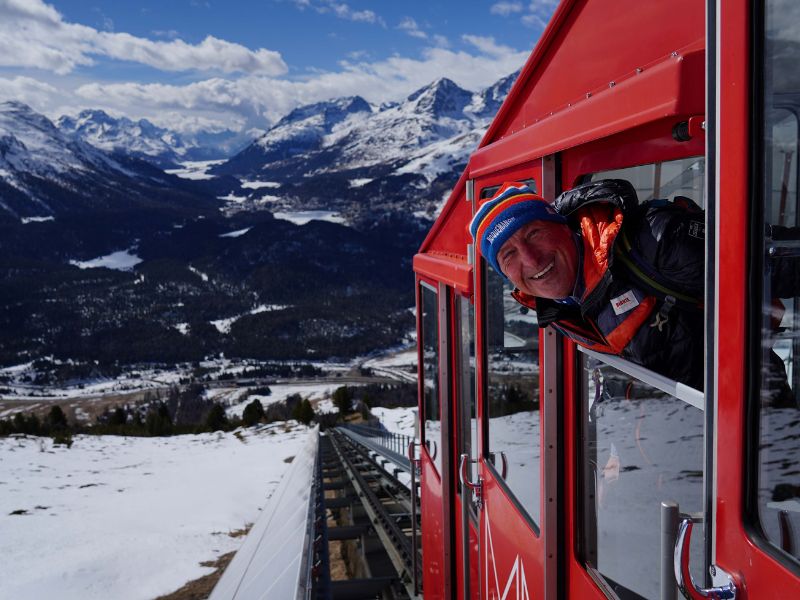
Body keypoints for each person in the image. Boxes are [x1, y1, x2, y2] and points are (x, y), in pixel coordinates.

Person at [469, 179, 705, 388]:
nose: (531, 259)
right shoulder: (561, 306)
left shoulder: (658, 241)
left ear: (563, 226)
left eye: (534, 234)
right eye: (508, 254)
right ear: (506, 275)